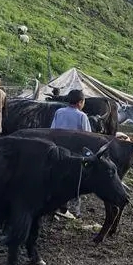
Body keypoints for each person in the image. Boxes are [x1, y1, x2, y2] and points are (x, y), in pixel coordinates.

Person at [50, 89, 92, 218]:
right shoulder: (82, 116)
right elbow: (88, 136)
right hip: (74, 154)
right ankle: (63, 209)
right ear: (80, 102)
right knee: (70, 181)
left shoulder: (59, 112)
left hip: (58, 150)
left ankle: (52, 206)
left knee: (56, 178)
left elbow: (52, 130)